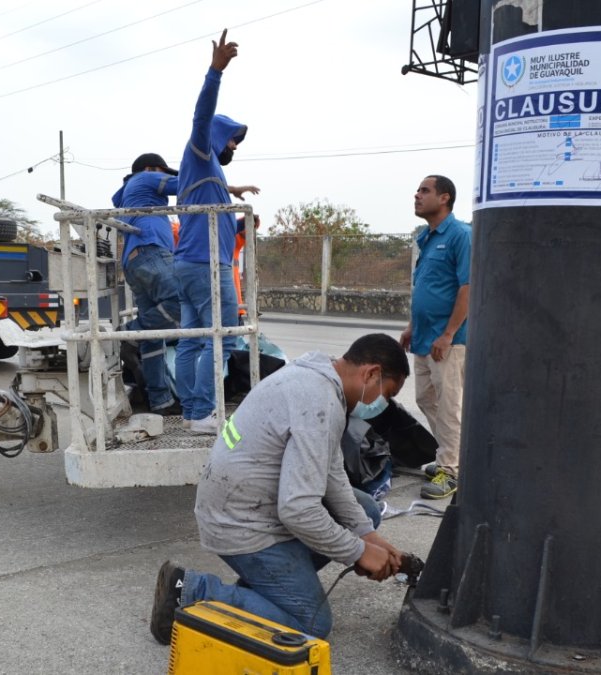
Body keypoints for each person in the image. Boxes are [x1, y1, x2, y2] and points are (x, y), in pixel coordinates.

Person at [149, 333, 409, 644]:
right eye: (386, 393)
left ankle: (265, 589)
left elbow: (331, 472)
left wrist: (366, 534)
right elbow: (298, 509)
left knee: (364, 510)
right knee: (310, 625)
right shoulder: (319, 403)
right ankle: (192, 591)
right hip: (240, 523)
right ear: (371, 374)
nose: (380, 404)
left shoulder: (318, 377)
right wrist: (357, 551)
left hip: (247, 503)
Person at [173, 29, 259, 435]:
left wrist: (236, 203)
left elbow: (215, 213)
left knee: (191, 340)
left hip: (188, 264)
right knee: (219, 336)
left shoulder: (210, 173)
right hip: (206, 266)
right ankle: (206, 411)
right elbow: (201, 117)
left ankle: (192, 412)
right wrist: (215, 72)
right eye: (233, 140)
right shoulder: (200, 151)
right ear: (217, 138)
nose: (235, 146)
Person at [399, 175, 471, 500]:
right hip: (425, 337)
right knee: (426, 400)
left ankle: (451, 470)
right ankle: (450, 454)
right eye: (418, 190)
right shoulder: (425, 237)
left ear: (444, 198)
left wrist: (448, 333)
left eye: (424, 190)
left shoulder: (460, 236)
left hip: (449, 341)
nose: (417, 195)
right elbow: (425, 287)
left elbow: (468, 288)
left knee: (449, 406)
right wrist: (413, 327)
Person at [112, 153, 182, 415]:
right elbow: (187, 185)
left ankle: (161, 401)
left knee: (153, 338)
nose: (165, 177)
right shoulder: (146, 177)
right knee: (180, 301)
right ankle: (130, 334)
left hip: (135, 260)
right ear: (151, 169)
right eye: (163, 172)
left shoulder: (129, 193)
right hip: (151, 251)